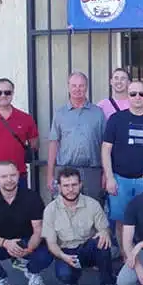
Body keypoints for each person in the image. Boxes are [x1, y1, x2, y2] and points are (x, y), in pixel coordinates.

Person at [102, 80, 143, 256]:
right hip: (120, 179)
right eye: (133, 94)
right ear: (127, 96)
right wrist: (109, 177)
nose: (137, 97)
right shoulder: (116, 119)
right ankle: (126, 259)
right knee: (121, 222)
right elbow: (106, 149)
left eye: (141, 94)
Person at [42, 167, 122, 285]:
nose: (70, 189)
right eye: (66, 186)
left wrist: (104, 232)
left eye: (74, 185)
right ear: (59, 187)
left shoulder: (93, 204)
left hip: (87, 248)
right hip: (65, 251)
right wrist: (63, 257)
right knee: (64, 274)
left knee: (102, 241)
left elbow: (105, 229)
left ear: (80, 185)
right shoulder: (50, 210)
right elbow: (51, 244)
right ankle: (72, 281)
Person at [47, 71, 106, 200]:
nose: (77, 89)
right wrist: (50, 174)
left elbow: (105, 145)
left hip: (92, 172)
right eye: (74, 85)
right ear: (68, 87)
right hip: (65, 171)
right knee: (64, 208)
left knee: (93, 207)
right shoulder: (60, 114)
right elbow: (54, 143)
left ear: (86, 87)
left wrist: (106, 173)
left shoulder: (98, 113)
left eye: (81, 85)